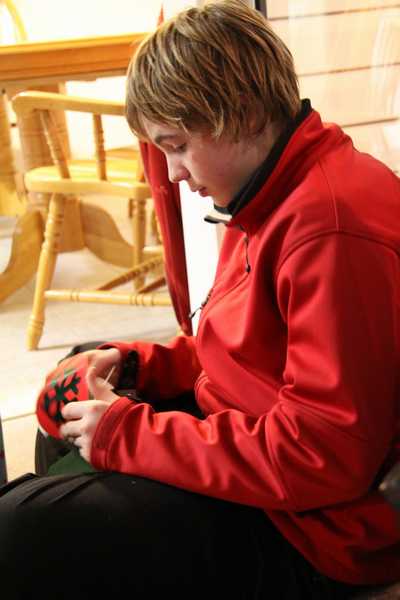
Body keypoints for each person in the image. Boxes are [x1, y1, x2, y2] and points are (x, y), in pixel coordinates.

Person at [1, 1, 399, 597]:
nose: (174, 173)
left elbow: (325, 457)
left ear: (241, 112)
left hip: (315, 529)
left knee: (21, 529)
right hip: (258, 443)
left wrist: (130, 436)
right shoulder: (269, 190)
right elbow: (243, 350)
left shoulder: (330, 230)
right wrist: (140, 365)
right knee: (79, 377)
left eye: (179, 145)